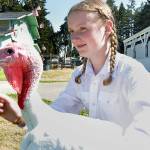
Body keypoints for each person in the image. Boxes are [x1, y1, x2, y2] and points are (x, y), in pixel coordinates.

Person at [0, 0, 150, 144]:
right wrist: (19, 118)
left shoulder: (133, 73)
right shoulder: (80, 76)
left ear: (107, 27)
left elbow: (145, 136)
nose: (74, 38)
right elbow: (53, 118)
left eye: (83, 28)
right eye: (71, 31)